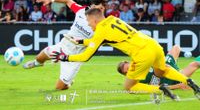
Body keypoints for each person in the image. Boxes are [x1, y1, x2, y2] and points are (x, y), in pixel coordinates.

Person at [49, 8, 200, 100]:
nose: (88, 25)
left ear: (94, 19)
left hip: (142, 53)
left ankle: (161, 89)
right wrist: (80, 41)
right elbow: (101, 41)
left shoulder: (100, 31)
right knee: (163, 70)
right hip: (153, 45)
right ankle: (189, 82)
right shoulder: (112, 19)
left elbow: (85, 57)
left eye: (89, 22)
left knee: (129, 87)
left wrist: (65, 57)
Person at [23, 0, 107, 91]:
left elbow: (98, 44)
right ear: (91, 5)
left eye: (100, 8)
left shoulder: (103, 26)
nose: (96, 9)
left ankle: (69, 83)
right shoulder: (81, 10)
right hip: (63, 46)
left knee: (59, 87)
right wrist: (50, 0)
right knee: (39, 58)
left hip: (75, 56)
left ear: (103, 9)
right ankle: (37, 63)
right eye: (95, 6)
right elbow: (67, 0)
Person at [117, 45, 200, 90]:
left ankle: (175, 65)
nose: (131, 68)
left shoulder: (142, 63)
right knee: (195, 64)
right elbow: (158, 88)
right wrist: (178, 86)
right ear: (126, 74)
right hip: (174, 80)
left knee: (176, 47)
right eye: (127, 70)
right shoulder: (135, 81)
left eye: (129, 65)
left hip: (167, 67)